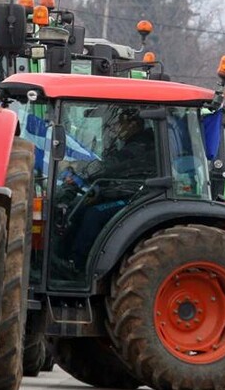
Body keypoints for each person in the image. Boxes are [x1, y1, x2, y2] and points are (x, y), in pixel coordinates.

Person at [63, 111, 156, 272]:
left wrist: (78, 167)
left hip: (136, 197)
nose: (114, 128)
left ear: (133, 125)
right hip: (126, 192)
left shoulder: (140, 145)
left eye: (119, 123)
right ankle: (65, 256)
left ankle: (78, 265)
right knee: (79, 205)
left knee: (94, 214)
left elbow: (110, 166)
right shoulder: (130, 143)